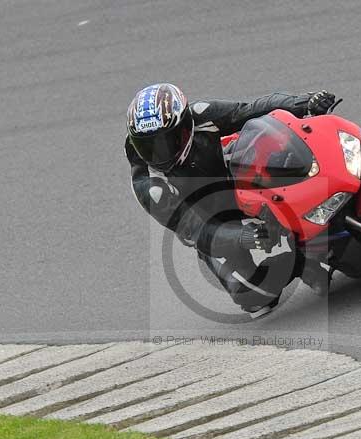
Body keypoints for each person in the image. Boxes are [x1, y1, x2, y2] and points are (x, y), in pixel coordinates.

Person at [126, 83, 336, 317]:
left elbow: (251, 109)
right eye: (148, 147)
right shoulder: (150, 188)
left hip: (239, 182)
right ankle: (302, 263)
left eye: (165, 142)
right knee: (253, 297)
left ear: (184, 125)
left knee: (274, 145)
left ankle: (325, 206)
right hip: (212, 223)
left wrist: (304, 102)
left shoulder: (200, 115)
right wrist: (242, 237)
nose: (158, 155)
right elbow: (197, 231)